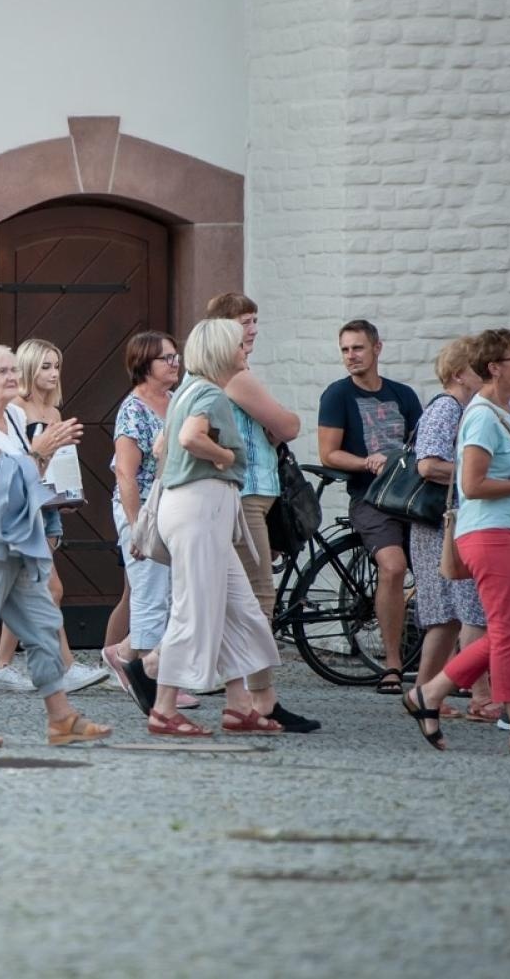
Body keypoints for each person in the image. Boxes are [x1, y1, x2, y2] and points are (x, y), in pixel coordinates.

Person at [0, 345, 108, 747]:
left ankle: (61, 718)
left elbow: (30, 476)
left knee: (43, 624)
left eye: (14, 370)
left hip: (17, 539)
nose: (12, 376)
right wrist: (39, 451)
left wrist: (47, 471)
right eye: (2, 371)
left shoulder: (13, 417)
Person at [402, 329, 510, 756]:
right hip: (487, 533)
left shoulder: (506, 409)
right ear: (494, 367)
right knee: (508, 633)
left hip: (508, 530)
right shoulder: (482, 417)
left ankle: (429, 692)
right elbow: (471, 484)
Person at [148, 319, 288, 737]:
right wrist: (225, 456)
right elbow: (190, 439)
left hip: (195, 507)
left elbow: (161, 446)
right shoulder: (209, 393)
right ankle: (163, 708)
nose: (245, 351)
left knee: (239, 608)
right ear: (223, 352)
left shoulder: (187, 391)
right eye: (239, 345)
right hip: (201, 508)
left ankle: (239, 705)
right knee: (194, 609)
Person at [201, 294, 318, 733]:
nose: (252, 330)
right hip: (247, 493)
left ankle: (246, 699)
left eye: (254, 321)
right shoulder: (236, 376)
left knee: (238, 597)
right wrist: (282, 424)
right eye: (244, 322)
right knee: (258, 597)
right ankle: (260, 698)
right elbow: (288, 426)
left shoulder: (230, 373)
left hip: (253, 493)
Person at [0, 338, 104, 694]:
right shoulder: (15, 410)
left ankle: (2, 667)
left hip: (49, 506)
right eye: (46, 366)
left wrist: (68, 495)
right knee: (51, 588)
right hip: (25, 507)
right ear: (29, 369)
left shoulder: (53, 413)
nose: (54, 373)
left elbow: (61, 462)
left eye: (57, 366)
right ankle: (63, 666)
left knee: (29, 587)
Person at [317, 319, 422, 694]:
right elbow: (328, 453)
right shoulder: (337, 395)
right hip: (370, 497)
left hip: (410, 497)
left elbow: (421, 445)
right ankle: (392, 664)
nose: (351, 356)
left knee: (444, 568)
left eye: (357, 348)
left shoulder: (403, 395)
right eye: (345, 350)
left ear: (377, 348)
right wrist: (366, 462)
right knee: (392, 566)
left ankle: (445, 667)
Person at [407, 337, 489, 715]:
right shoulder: (446, 408)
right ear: (459, 374)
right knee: (455, 613)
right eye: (476, 368)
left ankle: (426, 694)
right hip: (440, 525)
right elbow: (428, 465)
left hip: (448, 522)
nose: (484, 373)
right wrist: (475, 472)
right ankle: (473, 696)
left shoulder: (463, 408)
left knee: (452, 615)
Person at [101, 331, 178, 710]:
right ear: (144, 365)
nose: (175, 363)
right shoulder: (133, 411)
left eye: (176, 356)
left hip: (173, 508)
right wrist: (136, 528)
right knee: (149, 594)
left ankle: (125, 654)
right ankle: (151, 682)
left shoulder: (176, 401)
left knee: (173, 594)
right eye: (167, 358)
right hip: (143, 509)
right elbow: (126, 475)